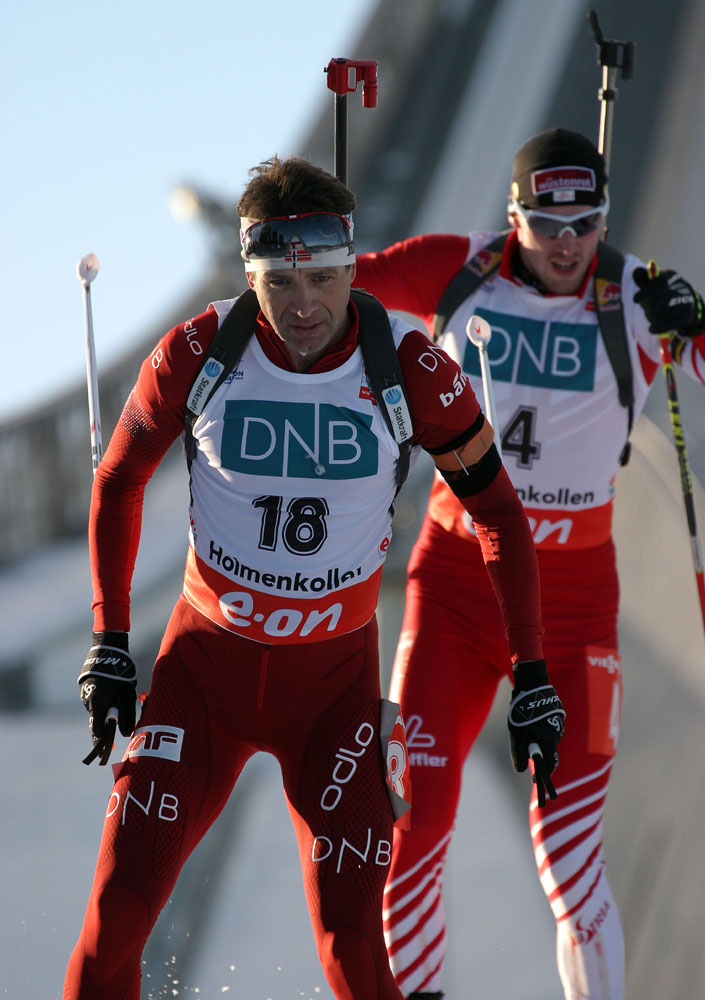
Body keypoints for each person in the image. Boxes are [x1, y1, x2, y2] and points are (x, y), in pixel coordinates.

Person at [63, 154, 565, 1000]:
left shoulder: (408, 363)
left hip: (330, 701)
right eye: (280, 284)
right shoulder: (201, 348)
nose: (304, 305)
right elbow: (116, 479)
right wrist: (109, 643)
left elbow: (501, 517)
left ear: (349, 267)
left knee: (355, 954)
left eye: (326, 279)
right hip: (202, 684)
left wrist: (534, 674)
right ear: (249, 275)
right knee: (116, 919)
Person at [354, 126, 705, 1000]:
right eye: (546, 224)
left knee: (568, 856)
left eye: (584, 223)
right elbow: (325, 289)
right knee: (410, 831)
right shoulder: (456, 268)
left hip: (576, 605)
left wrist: (695, 322)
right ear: (512, 216)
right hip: (456, 590)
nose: (565, 244)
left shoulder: (633, 293)